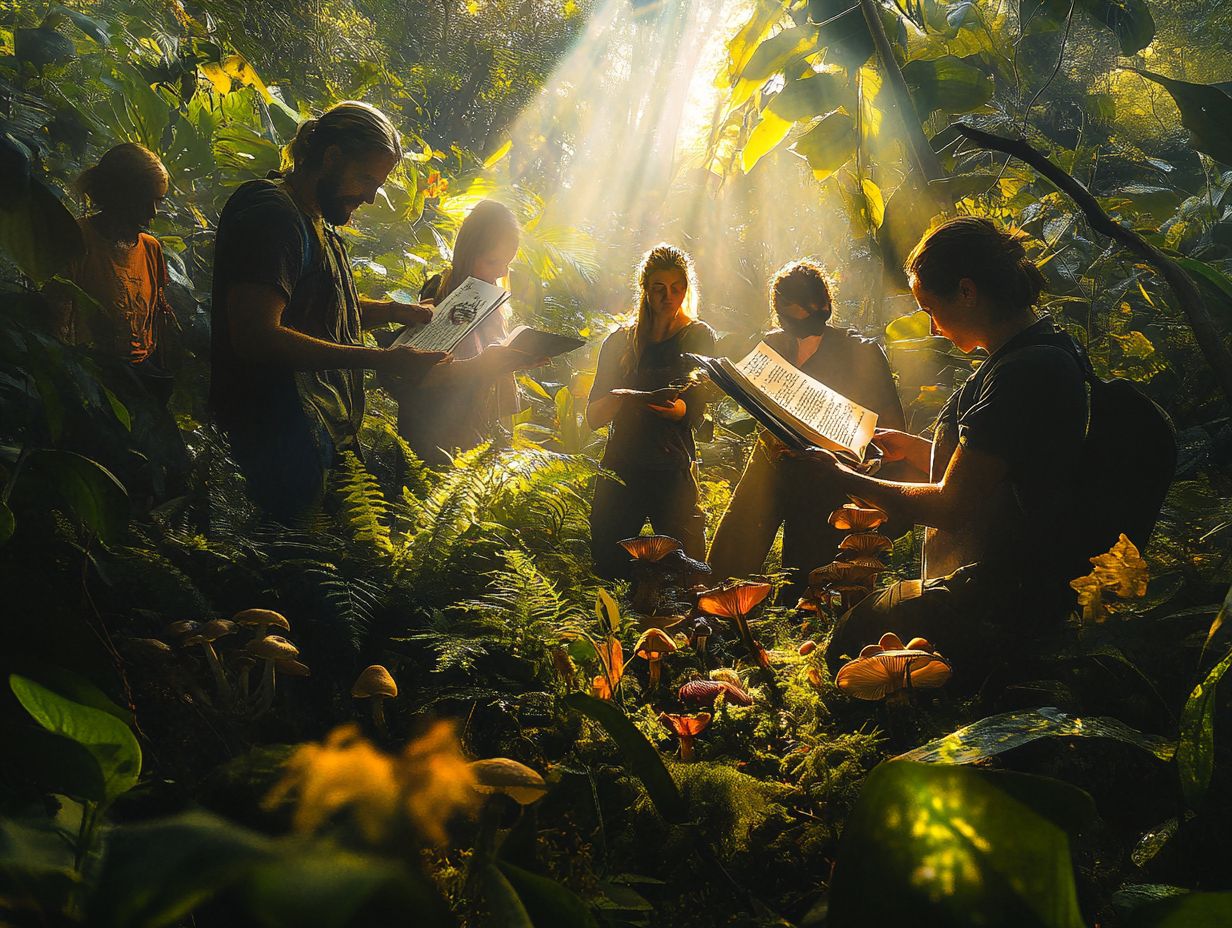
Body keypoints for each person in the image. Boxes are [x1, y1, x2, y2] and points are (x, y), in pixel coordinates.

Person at [796, 218, 1089, 683]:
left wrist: (844, 478)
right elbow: (1000, 461)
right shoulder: (1026, 353)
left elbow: (954, 505)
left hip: (999, 589)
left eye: (931, 308)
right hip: (989, 575)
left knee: (852, 646)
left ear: (967, 292)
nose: (932, 328)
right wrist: (914, 448)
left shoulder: (1023, 371)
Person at [209, 101, 447, 522]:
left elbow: (315, 304)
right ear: (332, 158)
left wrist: (393, 311)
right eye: (366, 179)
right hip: (271, 437)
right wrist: (383, 360)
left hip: (307, 436)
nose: (372, 196)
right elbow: (257, 334)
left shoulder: (311, 218)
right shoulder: (273, 216)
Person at [707, 260, 906, 598]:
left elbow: (892, 427)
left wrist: (853, 452)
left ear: (826, 305)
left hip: (826, 476)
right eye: (791, 317)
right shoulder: (771, 346)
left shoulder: (861, 352)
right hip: (770, 461)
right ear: (779, 311)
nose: (804, 322)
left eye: (814, 312)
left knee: (808, 580)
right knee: (730, 561)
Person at [587, 244, 717, 578]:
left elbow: (696, 408)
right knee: (608, 565)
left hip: (671, 468)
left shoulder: (697, 335)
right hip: (621, 466)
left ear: (687, 289)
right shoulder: (620, 341)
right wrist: (625, 398)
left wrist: (674, 409)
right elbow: (593, 415)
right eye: (659, 289)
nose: (668, 297)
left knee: (688, 571)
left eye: (677, 288)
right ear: (645, 289)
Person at [386, 200, 544, 463]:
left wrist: (516, 359)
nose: (500, 272)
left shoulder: (495, 302)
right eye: (492, 262)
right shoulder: (438, 292)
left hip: (475, 424)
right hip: (433, 423)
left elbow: (490, 360)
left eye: (507, 263)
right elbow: (420, 369)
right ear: (467, 254)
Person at [53, 143, 177, 397]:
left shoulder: (151, 248)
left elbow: (154, 318)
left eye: (158, 202)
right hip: (90, 377)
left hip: (141, 373)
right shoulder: (76, 240)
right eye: (146, 201)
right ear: (120, 195)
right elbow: (57, 321)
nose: (153, 212)